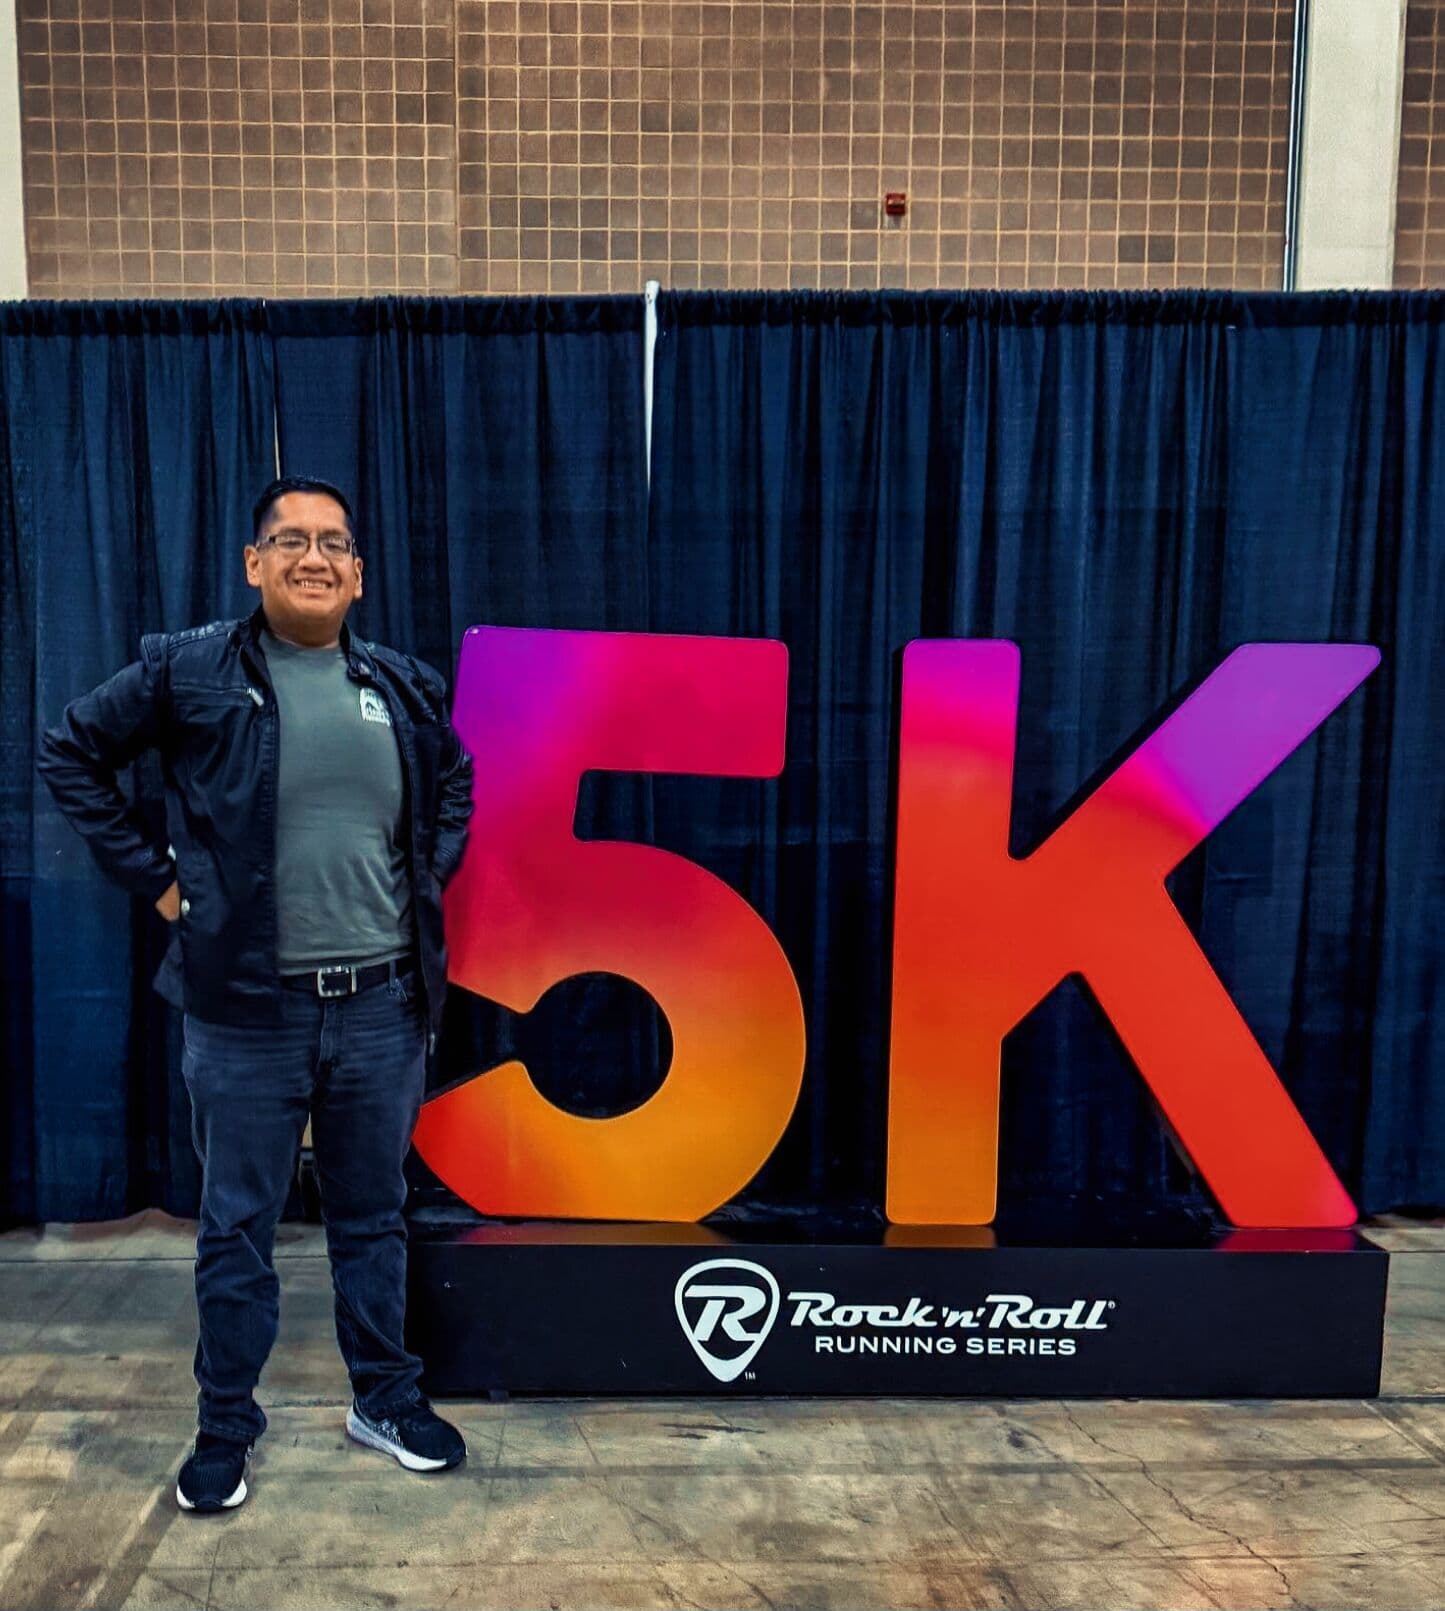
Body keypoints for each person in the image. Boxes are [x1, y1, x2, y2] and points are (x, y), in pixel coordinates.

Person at [38, 476, 474, 1513]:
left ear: (358, 573)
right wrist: (159, 882)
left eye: (333, 543)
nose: (312, 557)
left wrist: (424, 875)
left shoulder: (403, 683)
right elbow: (71, 750)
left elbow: (454, 782)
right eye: (290, 541)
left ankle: (384, 1399)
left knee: (373, 1216)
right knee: (236, 1227)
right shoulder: (188, 670)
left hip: (382, 1007)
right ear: (253, 562)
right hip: (246, 1012)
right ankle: (225, 1424)